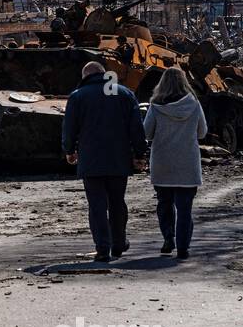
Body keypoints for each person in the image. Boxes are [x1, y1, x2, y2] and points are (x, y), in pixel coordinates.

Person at [62, 61, 148, 263]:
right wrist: (140, 154)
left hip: (91, 160)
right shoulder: (125, 94)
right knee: (118, 202)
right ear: (103, 73)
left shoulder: (77, 96)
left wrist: (69, 150)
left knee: (97, 205)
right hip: (119, 159)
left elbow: (69, 127)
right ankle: (118, 243)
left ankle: (103, 248)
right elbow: (136, 127)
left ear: (86, 77)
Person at [143, 67, 208, 260]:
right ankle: (183, 248)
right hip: (187, 163)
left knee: (164, 204)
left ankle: (168, 238)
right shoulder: (194, 104)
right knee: (185, 208)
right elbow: (202, 132)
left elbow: (146, 133)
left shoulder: (155, 106)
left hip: (163, 163)